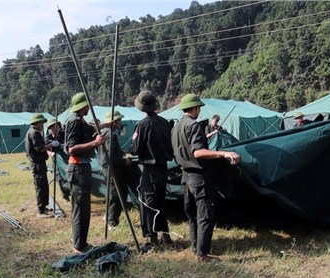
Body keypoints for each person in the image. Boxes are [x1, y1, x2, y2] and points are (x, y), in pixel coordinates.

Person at [171, 93, 241, 262]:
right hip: (198, 177)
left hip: (185, 177)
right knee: (205, 214)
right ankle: (202, 255)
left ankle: (196, 246)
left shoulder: (176, 127)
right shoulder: (194, 126)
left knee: (193, 214)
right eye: (198, 109)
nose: (199, 112)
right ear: (195, 108)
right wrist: (224, 153)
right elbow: (198, 152)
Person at [131, 90, 174, 248]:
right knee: (161, 202)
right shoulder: (165, 122)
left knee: (148, 204)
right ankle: (166, 235)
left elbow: (135, 149)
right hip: (163, 168)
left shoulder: (142, 125)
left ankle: (152, 238)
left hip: (150, 169)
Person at [65, 92, 104, 253]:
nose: (89, 108)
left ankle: (82, 243)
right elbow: (71, 148)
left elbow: (92, 130)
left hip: (83, 168)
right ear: (83, 106)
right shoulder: (74, 121)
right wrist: (95, 143)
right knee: (80, 210)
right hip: (78, 168)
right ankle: (79, 246)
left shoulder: (81, 121)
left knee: (85, 209)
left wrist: (106, 125)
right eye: (88, 105)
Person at [98, 110, 139, 229]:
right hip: (112, 168)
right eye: (119, 120)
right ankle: (111, 221)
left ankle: (109, 216)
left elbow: (112, 150)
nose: (120, 122)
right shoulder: (110, 134)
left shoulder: (105, 132)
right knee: (116, 194)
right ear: (113, 122)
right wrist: (124, 160)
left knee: (119, 192)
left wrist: (122, 152)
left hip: (109, 167)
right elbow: (110, 156)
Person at [25, 114, 56, 218]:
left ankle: (43, 207)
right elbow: (40, 148)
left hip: (39, 163)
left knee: (44, 186)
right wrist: (51, 145)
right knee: (40, 187)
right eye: (42, 122)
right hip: (37, 163)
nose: (43, 125)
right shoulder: (34, 133)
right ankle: (40, 211)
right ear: (37, 123)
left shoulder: (34, 132)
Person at [46, 119, 70, 201]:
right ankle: (65, 194)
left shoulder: (64, 134)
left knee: (69, 175)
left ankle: (70, 191)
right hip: (56, 160)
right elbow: (45, 149)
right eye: (52, 127)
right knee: (59, 177)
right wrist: (51, 154)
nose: (54, 128)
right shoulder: (48, 138)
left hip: (66, 159)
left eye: (56, 126)